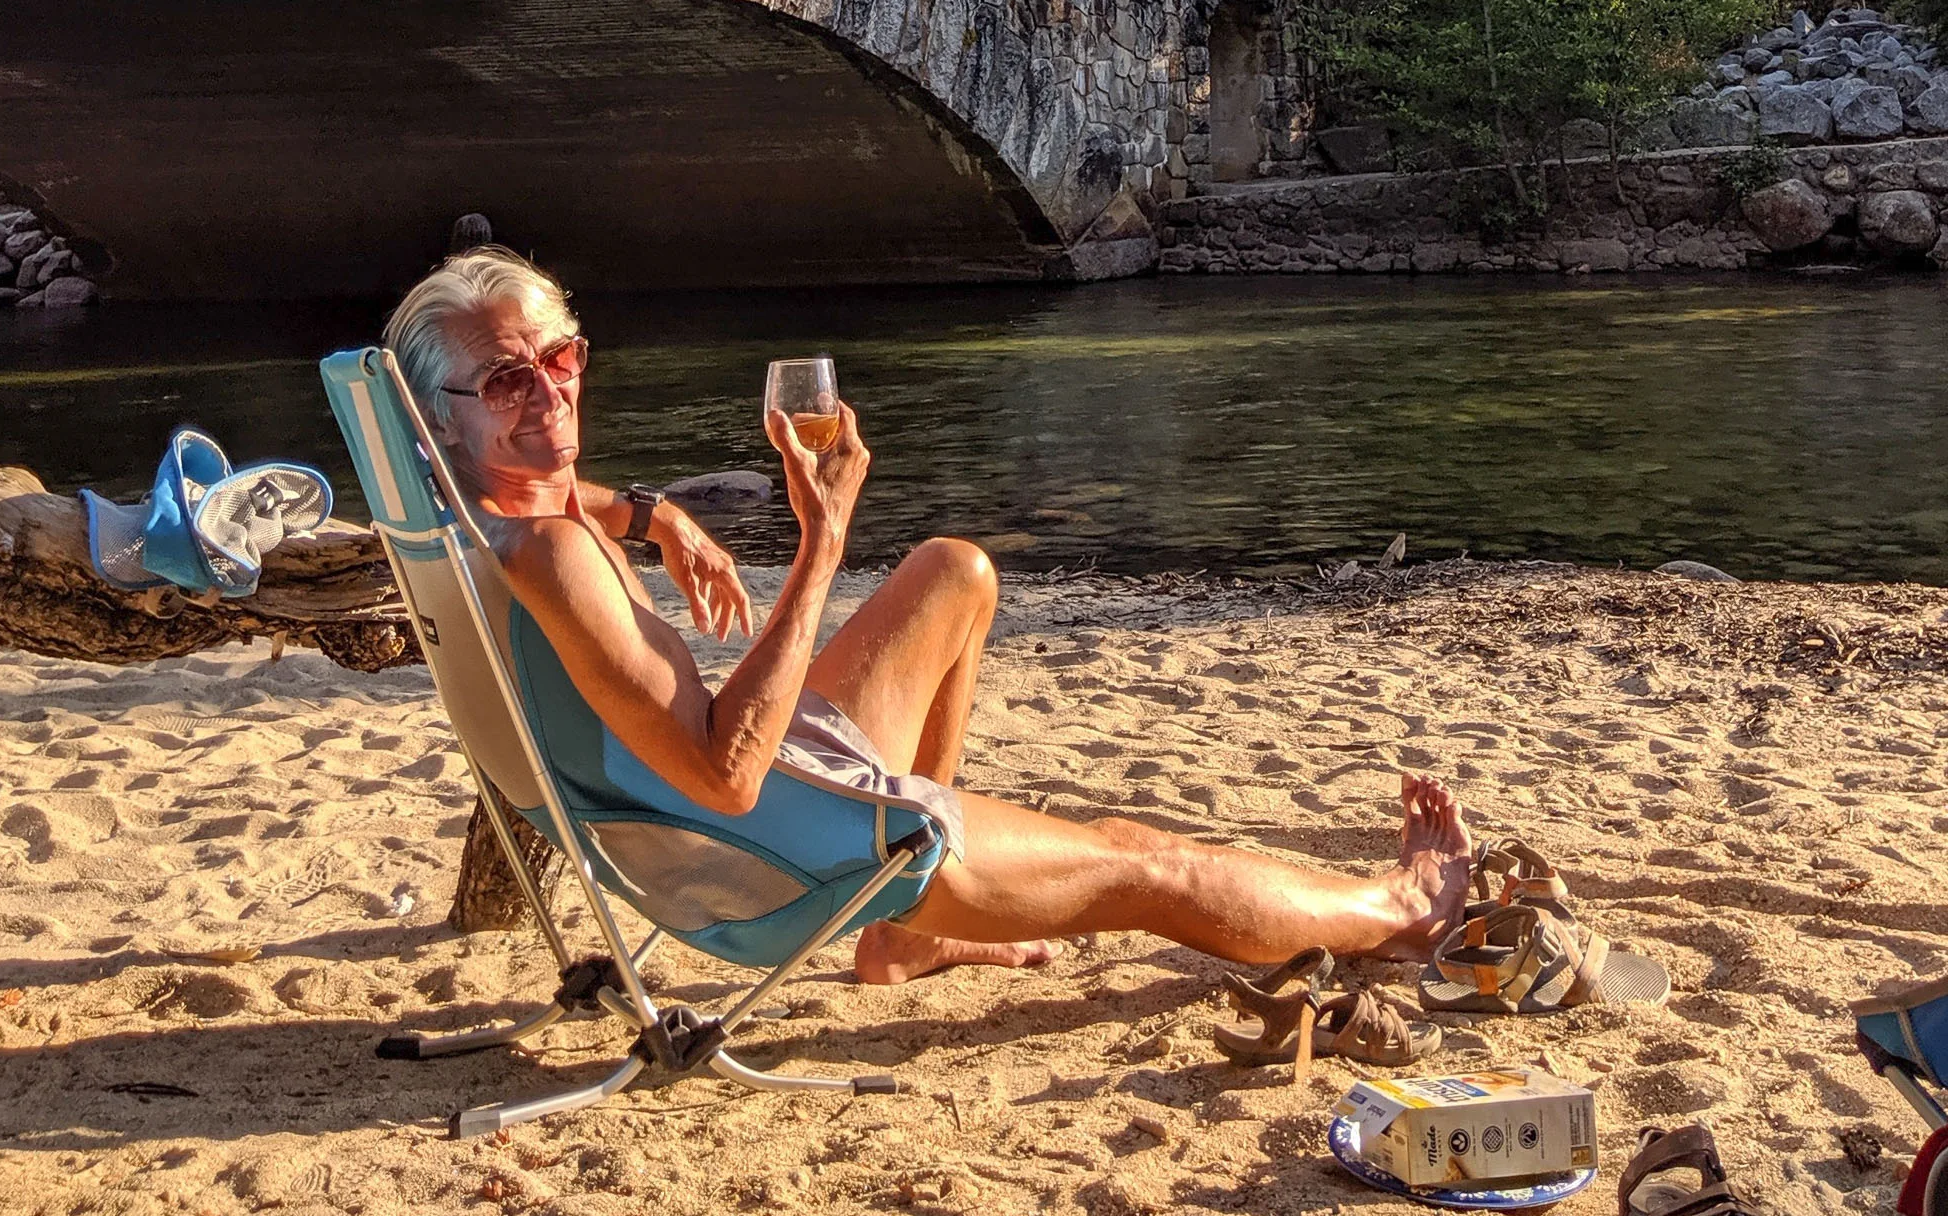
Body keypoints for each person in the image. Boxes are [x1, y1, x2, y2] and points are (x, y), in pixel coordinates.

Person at [384, 247, 1474, 988]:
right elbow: (727, 777)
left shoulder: (482, 513)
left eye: (561, 358)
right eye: (507, 381)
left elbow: (563, 495)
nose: (551, 393)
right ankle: (1401, 907)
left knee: (955, 571)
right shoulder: (556, 559)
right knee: (1145, 864)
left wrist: (660, 516)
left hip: (701, 810)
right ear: (444, 415)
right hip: (767, 850)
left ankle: (908, 939)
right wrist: (820, 545)